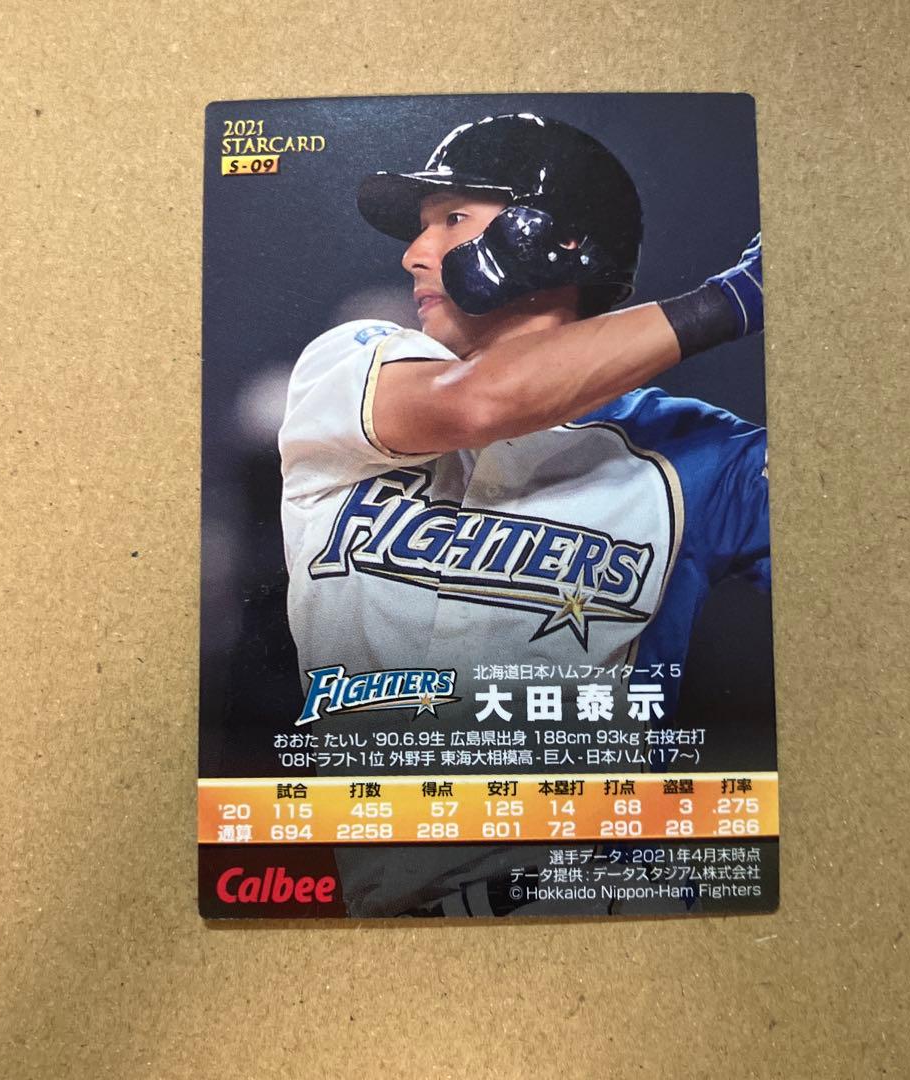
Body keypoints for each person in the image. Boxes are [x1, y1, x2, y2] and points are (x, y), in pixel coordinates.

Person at [278, 113, 768, 915]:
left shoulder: (690, 452)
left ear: (561, 241)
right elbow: (478, 402)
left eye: (452, 218)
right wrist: (737, 299)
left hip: (607, 905)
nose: (414, 253)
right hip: (392, 931)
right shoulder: (352, 367)